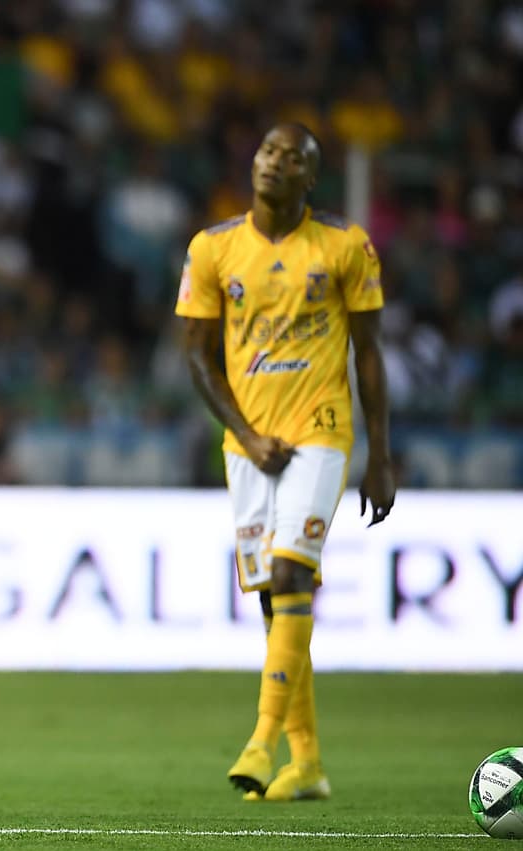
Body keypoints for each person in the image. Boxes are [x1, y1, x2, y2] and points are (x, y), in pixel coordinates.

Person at [175, 123, 396, 802]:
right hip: (248, 445)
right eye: (268, 151)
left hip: (321, 430)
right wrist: (244, 430)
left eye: (291, 157)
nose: (275, 162)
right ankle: (308, 763)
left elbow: (369, 353)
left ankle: (261, 740)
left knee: (292, 568)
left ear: (310, 178)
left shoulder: (344, 245)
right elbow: (196, 356)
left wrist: (380, 454)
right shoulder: (213, 248)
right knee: (277, 600)